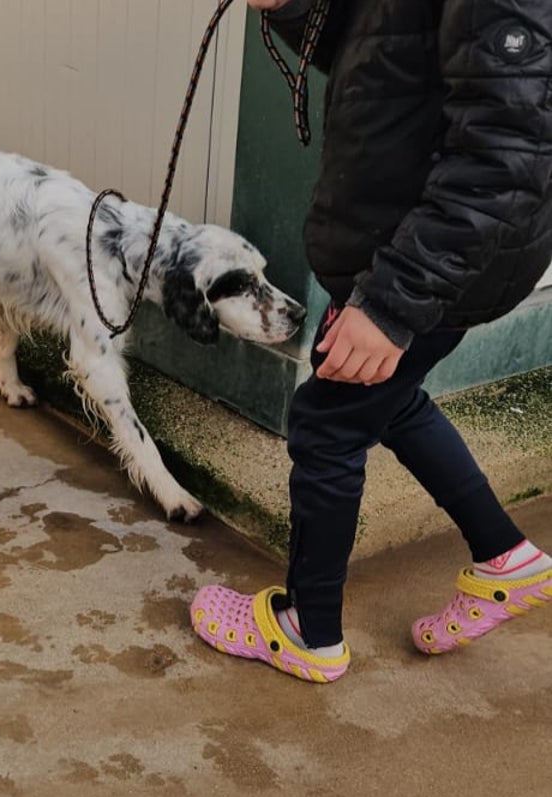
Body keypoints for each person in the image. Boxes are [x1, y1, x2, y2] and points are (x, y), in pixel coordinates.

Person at [189, 0, 552, 682]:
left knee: (328, 422)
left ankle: (307, 631)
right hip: (402, 237)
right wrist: (296, 11)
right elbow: (384, 57)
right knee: (388, 398)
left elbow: (508, 155)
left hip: (425, 257)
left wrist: (389, 305)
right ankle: (507, 559)